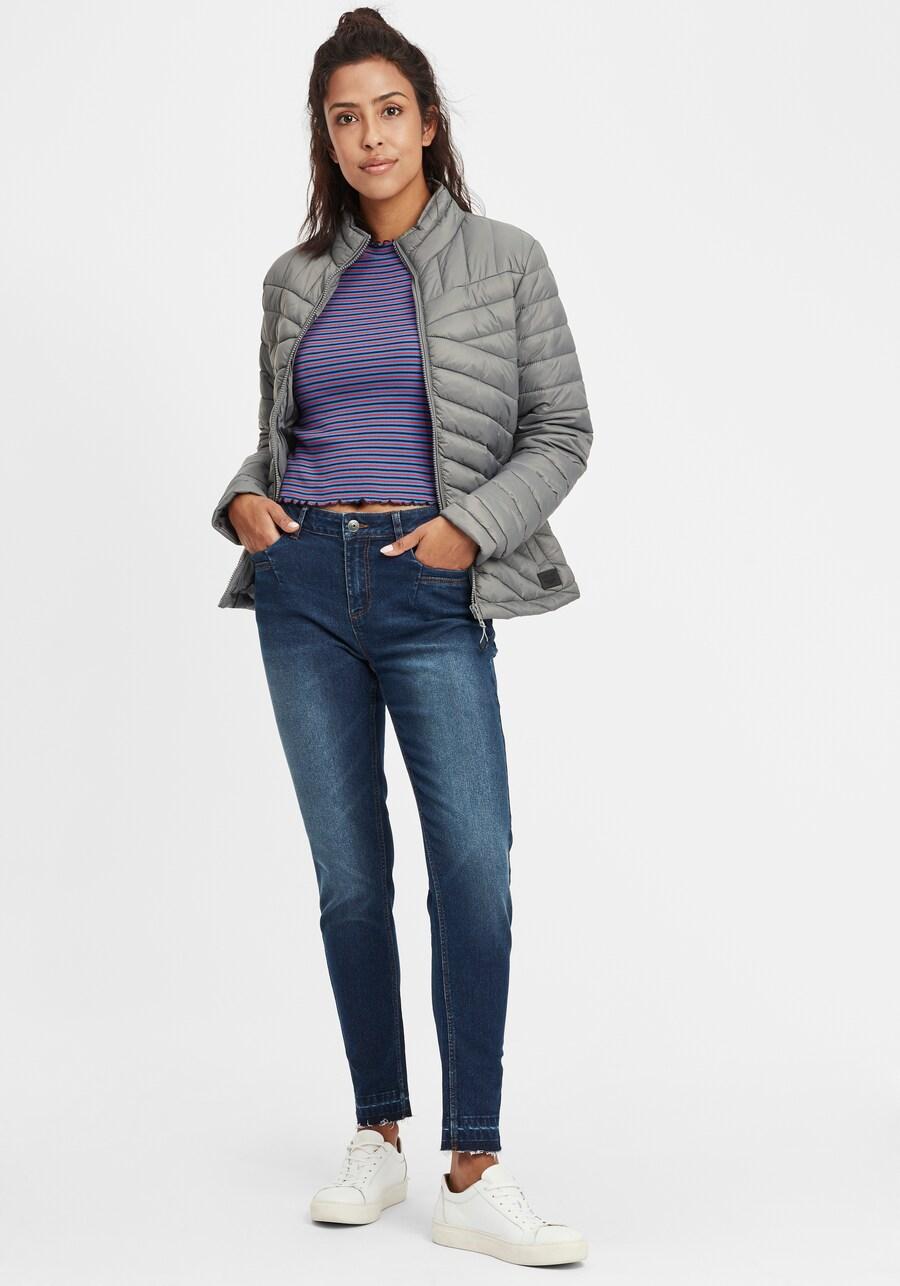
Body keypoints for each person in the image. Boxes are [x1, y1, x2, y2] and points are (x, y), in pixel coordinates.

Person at [210, 7, 593, 1268]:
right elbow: (279, 440)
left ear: (428, 123)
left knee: (474, 862)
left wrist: (466, 530)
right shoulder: (295, 278)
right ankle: (377, 1130)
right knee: (348, 876)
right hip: (303, 586)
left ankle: (473, 1164)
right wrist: (244, 502)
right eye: (345, 117)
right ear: (325, 137)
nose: (369, 135)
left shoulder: (507, 260)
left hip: (431, 585)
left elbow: (563, 430)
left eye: (388, 111)